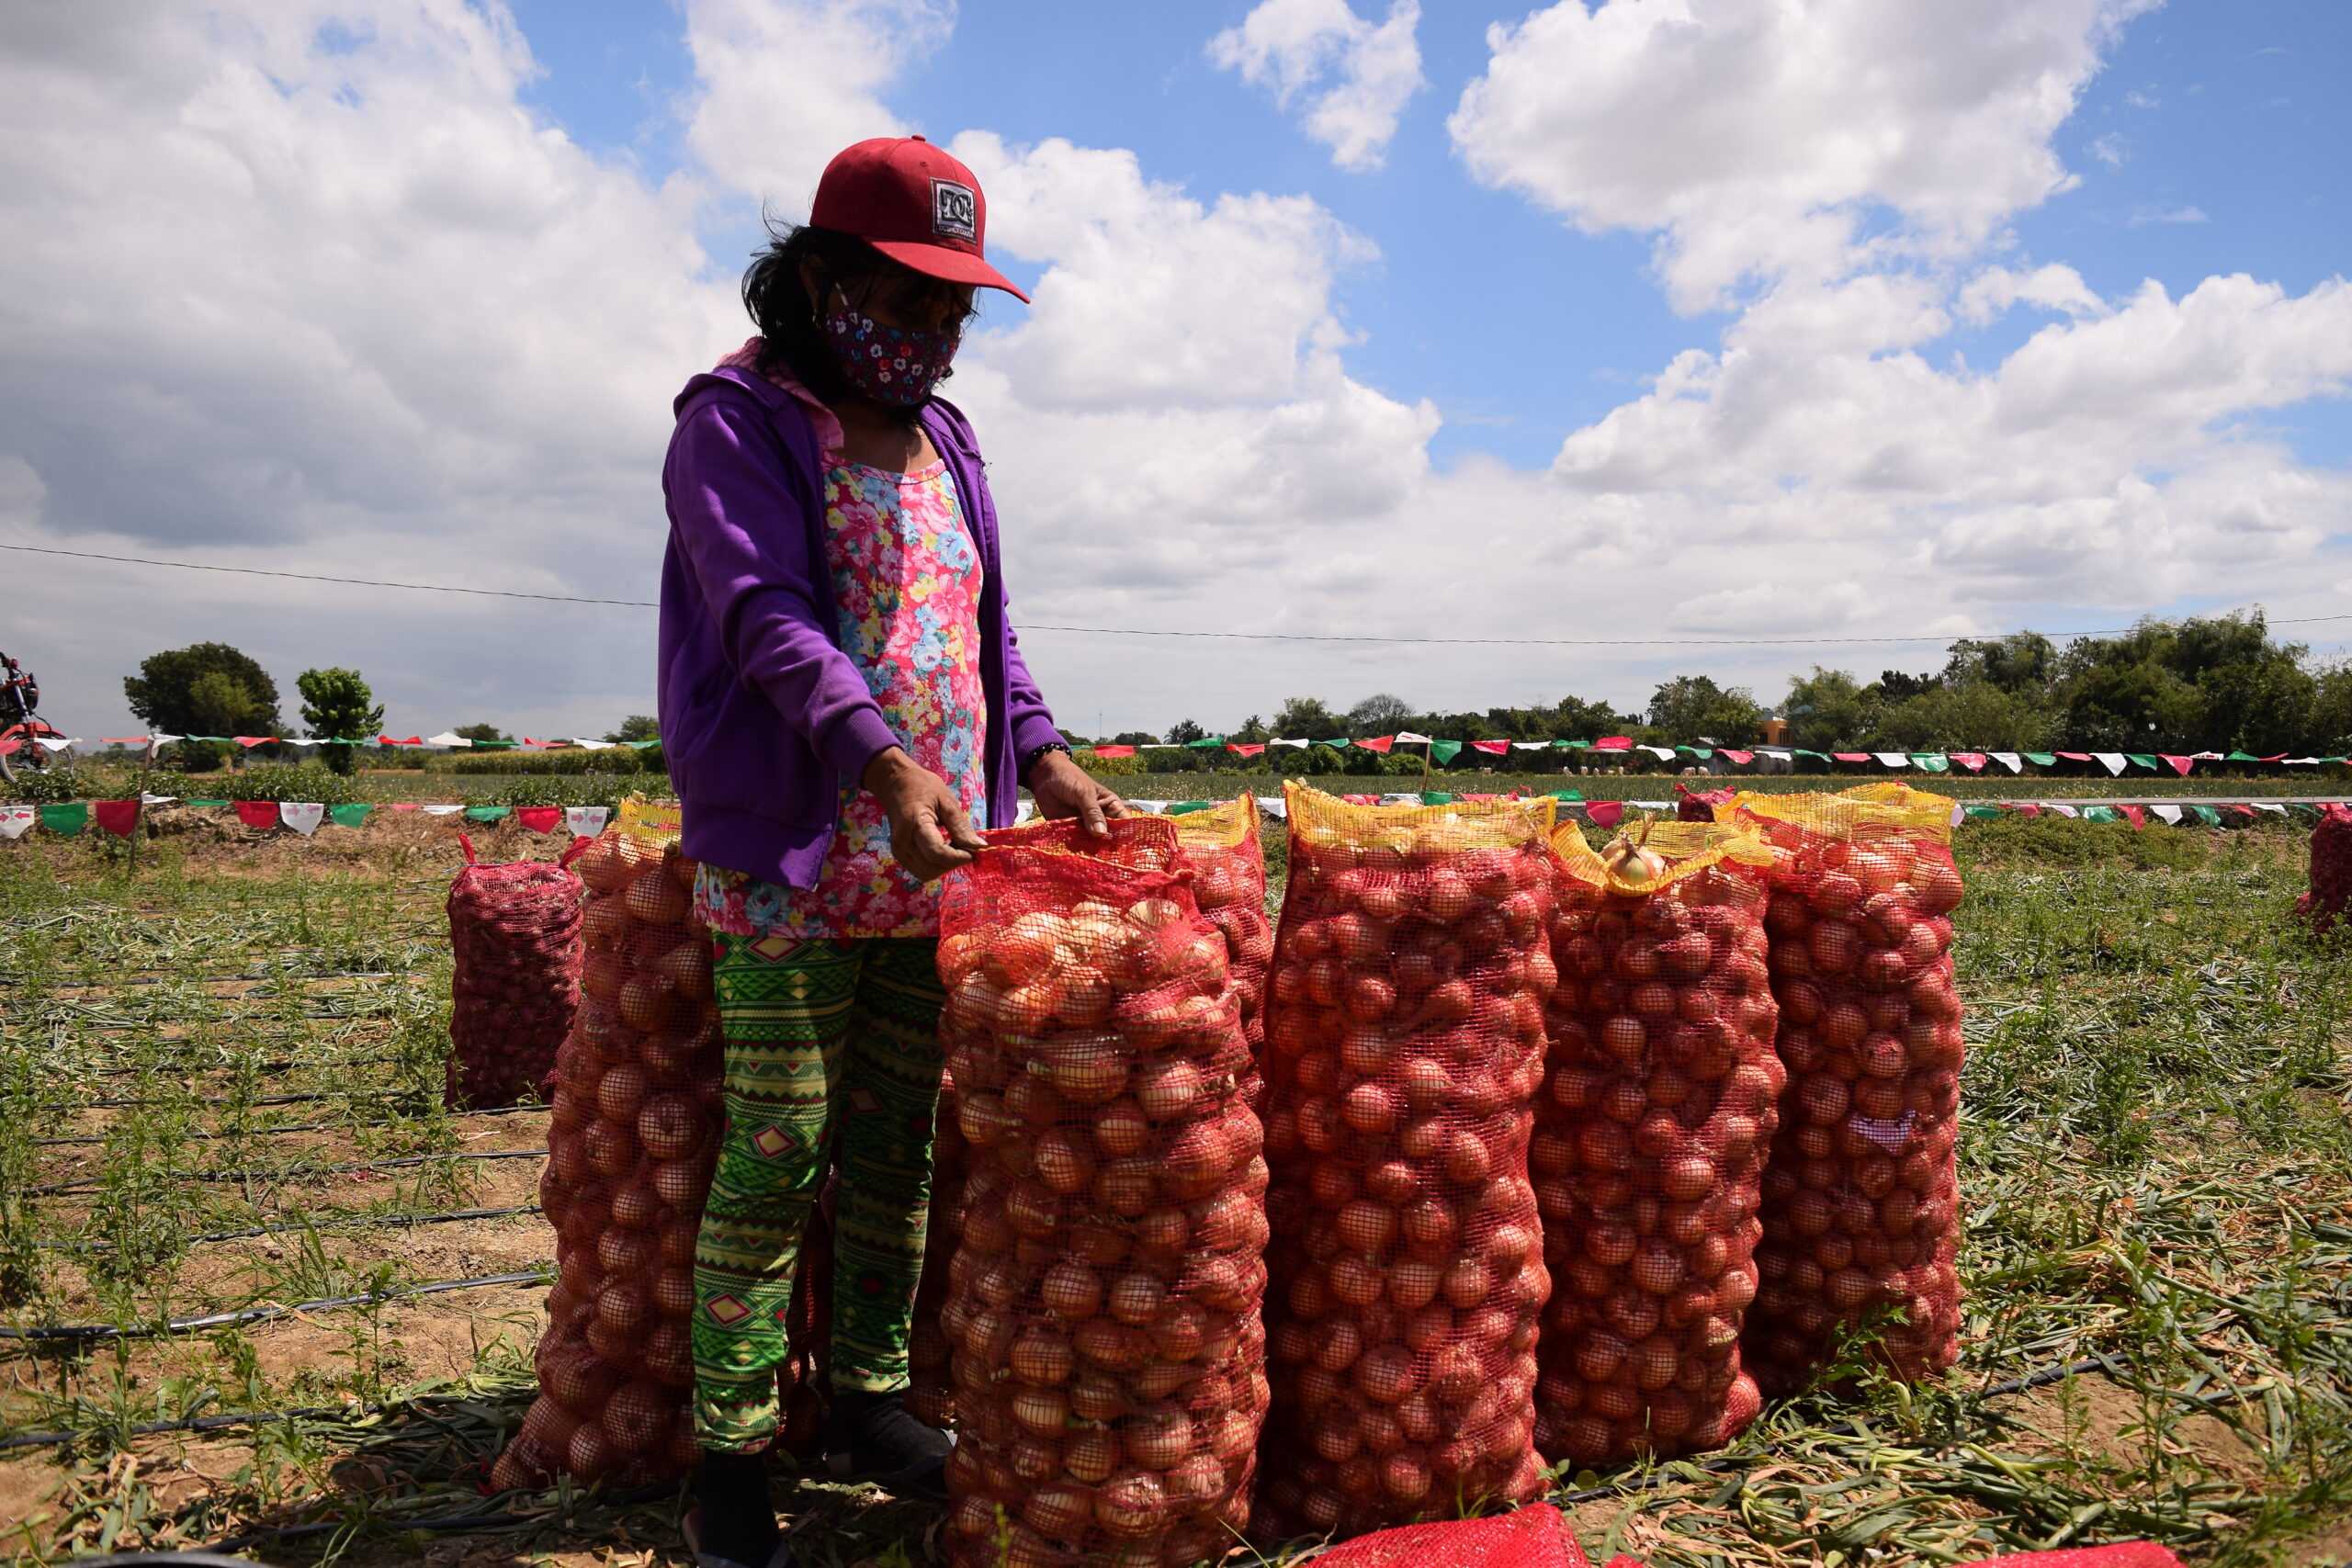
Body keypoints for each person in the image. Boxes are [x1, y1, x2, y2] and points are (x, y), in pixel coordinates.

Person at [657, 135, 1124, 1568]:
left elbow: (982, 634)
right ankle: (728, 1455)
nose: (927, 334)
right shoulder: (735, 420)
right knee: (781, 1147)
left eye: (950, 312)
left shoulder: (952, 442)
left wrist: (1037, 750)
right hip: (799, 847)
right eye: (901, 301)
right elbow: (766, 618)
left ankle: (867, 1399)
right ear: (813, 280)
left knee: (897, 1148)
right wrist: (878, 757)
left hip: (939, 855)